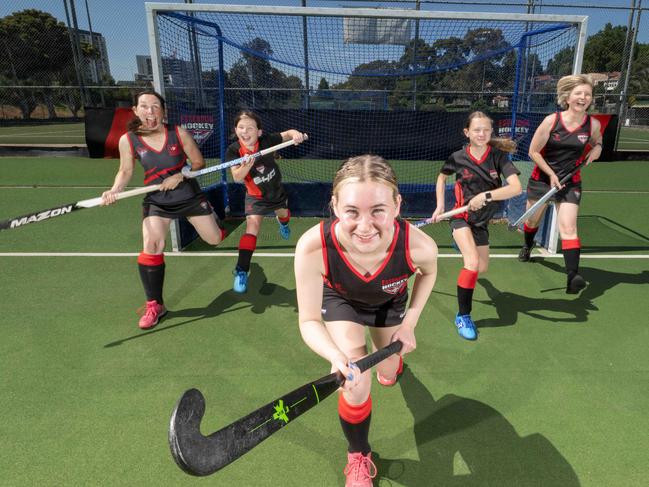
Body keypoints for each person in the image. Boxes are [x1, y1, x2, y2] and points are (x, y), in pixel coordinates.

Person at [294, 155, 438, 486]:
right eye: (352, 211)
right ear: (334, 205)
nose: (364, 225)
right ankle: (358, 455)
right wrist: (336, 357)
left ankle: (392, 364)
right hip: (341, 301)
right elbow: (309, 321)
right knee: (356, 383)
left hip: (389, 303)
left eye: (378, 210)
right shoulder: (314, 247)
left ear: (397, 205)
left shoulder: (419, 246)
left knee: (387, 370)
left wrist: (410, 323)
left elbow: (428, 274)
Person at [101, 90, 225, 329]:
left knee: (214, 239)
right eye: (145, 106)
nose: (150, 112)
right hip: (157, 200)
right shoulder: (128, 139)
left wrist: (181, 175)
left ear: (163, 111)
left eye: (156, 106)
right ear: (136, 111)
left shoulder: (178, 133)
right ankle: (155, 305)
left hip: (187, 194)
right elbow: (125, 171)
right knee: (152, 245)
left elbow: (199, 162)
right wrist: (114, 189)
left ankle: (214, 218)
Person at [431, 111, 522, 341]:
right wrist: (440, 206)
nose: (481, 134)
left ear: (491, 132)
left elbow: (515, 188)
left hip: (482, 222)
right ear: (467, 132)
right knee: (471, 264)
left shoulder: (499, 157)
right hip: (461, 218)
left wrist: (487, 195)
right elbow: (442, 177)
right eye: (477, 130)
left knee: (481, 268)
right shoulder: (457, 157)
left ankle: (461, 245)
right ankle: (463, 316)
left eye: (486, 130)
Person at [518, 74, 603, 294]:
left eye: (587, 94)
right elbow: (533, 152)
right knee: (532, 219)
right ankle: (527, 245)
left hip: (570, 182)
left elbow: (598, 141)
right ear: (567, 97)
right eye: (578, 94)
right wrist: (551, 174)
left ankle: (573, 276)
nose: (583, 98)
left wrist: (597, 148)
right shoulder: (552, 121)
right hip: (542, 180)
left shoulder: (592, 124)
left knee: (568, 227)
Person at [225, 111, 307, 293]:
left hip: (276, 191)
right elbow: (237, 177)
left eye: (250, 128)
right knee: (252, 228)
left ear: (259, 132)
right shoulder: (233, 150)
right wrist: (246, 164)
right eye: (241, 128)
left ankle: (283, 224)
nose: (245, 131)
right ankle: (241, 270)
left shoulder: (267, 141)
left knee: (284, 215)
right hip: (256, 197)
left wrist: (295, 135)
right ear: (235, 130)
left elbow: (287, 134)